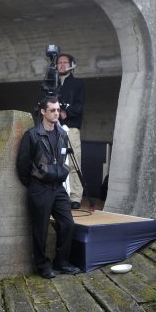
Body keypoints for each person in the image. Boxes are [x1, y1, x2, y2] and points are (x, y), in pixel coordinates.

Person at [16, 96, 81, 279]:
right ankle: (42, 265)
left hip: (58, 187)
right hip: (40, 188)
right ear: (43, 112)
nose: (56, 113)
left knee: (67, 223)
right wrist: (33, 185)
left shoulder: (62, 133)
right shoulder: (32, 135)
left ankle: (61, 262)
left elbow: (63, 158)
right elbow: (22, 165)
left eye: (58, 110)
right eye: (52, 110)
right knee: (40, 229)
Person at [56, 53, 86, 209]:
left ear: (71, 65)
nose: (61, 65)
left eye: (65, 62)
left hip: (70, 126)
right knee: (53, 160)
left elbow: (80, 106)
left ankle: (75, 197)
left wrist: (66, 112)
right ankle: (57, 194)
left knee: (74, 162)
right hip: (53, 126)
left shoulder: (78, 83)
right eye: (59, 62)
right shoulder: (52, 83)